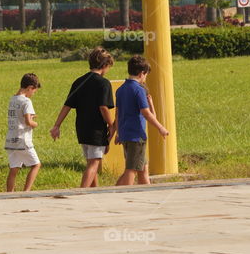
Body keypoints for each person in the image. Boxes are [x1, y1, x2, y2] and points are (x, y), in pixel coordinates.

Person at [49, 47, 115, 188]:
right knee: (94, 163)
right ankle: (81, 193)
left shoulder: (79, 82)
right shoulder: (104, 83)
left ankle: (94, 192)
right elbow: (103, 107)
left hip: (81, 128)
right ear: (104, 65)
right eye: (108, 67)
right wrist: (111, 124)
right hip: (96, 129)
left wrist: (57, 125)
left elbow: (67, 106)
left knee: (91, 162)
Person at [114, 55, 169, 186]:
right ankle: (116, 193)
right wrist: (160, 127)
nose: (145, 79)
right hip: (136, 136)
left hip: (125, 135)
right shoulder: (138, 90)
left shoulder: (121, 89)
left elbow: (117, 114)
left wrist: (118, 133)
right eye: (146, 75)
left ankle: (148, 193)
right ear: (141, 73)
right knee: (131, 170)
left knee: (143, 169)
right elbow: (146, 113)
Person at [5, 73, 42, 192]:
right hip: (23, 140)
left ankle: (9, 194)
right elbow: (27, 121)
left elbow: (18, 116)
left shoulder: (12, 99)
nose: (33, 94)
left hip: (11, 140)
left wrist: (30, 118)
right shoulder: (26, 101)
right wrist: (34, 123)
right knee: (36, 165)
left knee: (14, 169)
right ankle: (26, 192)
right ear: (30, 87)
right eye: (34, 91)